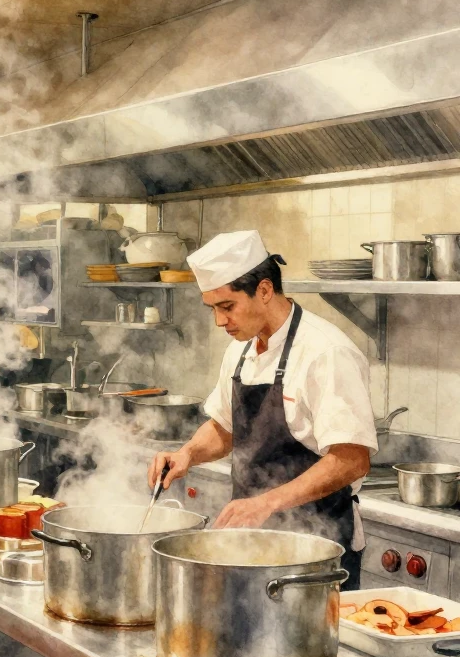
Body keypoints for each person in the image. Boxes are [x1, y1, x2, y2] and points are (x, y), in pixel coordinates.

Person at [147, 230, 377, 589]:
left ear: (265, 290)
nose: (220, 322)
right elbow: (225, 426)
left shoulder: (326, 352)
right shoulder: (240, 349)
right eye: (213, 309)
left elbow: (352, 459)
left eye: (227, 307)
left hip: (317, 548)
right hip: (249, 544)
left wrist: (266, 503)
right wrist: (187, 454)